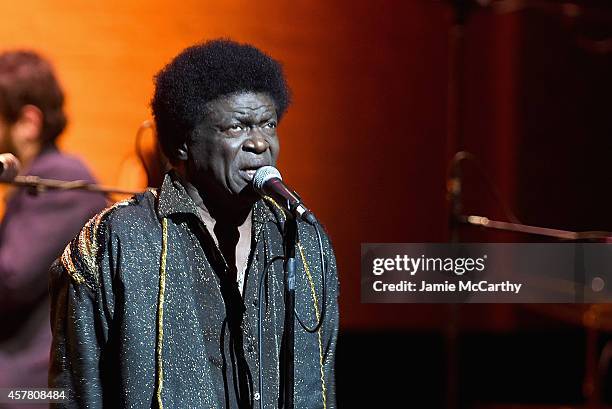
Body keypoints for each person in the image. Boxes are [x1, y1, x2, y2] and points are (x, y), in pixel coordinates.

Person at [49, 39, 339, 408]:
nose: (259, 143)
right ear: (183, 143)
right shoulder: (113, 243)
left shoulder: (301, 240)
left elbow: (321, 389)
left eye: (268, 124)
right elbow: (77, 394)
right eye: (237, 127)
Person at [0, 51, 106, 407]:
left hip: (31, 386)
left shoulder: (63, 179)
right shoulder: (30, 189)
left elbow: (8, 278)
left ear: (28, 121)